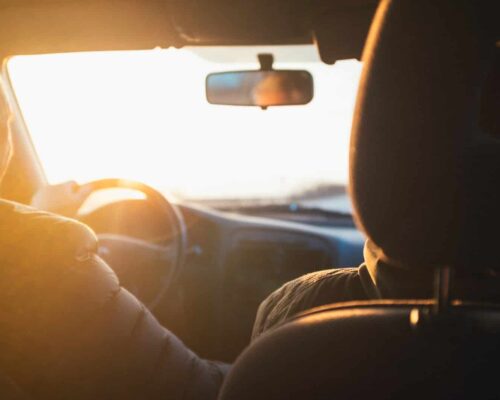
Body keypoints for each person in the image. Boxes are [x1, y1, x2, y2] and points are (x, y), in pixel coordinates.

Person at [0, 91, 228, 399]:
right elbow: (196, 390)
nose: (9, 145)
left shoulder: (29, 251)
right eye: (5, 127)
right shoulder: (54, 259)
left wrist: (41, 215)